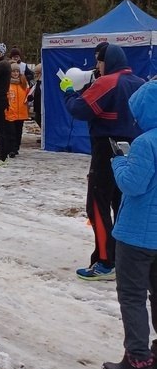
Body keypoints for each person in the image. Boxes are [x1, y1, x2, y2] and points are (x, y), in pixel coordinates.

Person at [61, 42, 144, 279]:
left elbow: (80, 109)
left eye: (99, 61)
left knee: (97, 204)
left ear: (108, 61)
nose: (97, 66)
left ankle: (105, 260)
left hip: (106, 148)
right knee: (121, 204)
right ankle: (121, 258)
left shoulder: (108, 82)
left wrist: (68, 92)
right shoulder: (138, 83)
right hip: (133, 149)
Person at [102, 80, 157, 369]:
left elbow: (132, 185)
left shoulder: (145, 143)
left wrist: (119, 161)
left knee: (133, 298)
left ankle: (137, 361)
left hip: (137, 235)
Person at [5, 62, 29, 158]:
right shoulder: (7, 83)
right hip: (11, 111)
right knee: (11, 132)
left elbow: (28, 94)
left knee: (18, 132)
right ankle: (11, 149)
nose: (15, 73)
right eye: (13, 71)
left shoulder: (23, 83)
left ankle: (16, 148)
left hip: (21, 111)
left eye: (17, 71)